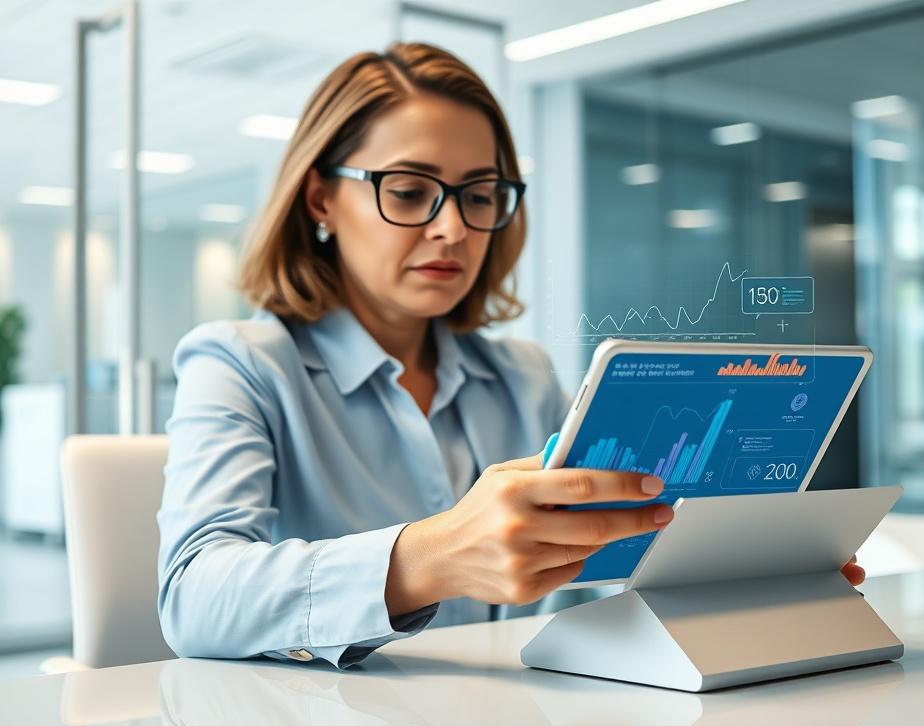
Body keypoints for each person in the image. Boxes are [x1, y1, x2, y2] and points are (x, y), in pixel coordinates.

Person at [157, 42, 866, 668]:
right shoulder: (240, 363)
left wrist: (754, 569)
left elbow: (619, 551)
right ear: (319, 199)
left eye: (481, 194)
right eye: (409, 192)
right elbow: (192, 596)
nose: (453, 228)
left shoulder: (523, 377)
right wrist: (428, 559)